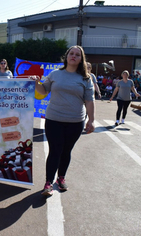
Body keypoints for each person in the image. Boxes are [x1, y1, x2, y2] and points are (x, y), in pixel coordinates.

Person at [32, 45, 95, 196]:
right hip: (54, 119)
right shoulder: (54, 74)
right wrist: (35, 83)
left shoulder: (86, 79)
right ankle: (48, 183)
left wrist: (91, 120)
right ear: (66, 57)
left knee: (66, 151)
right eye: (71, 53)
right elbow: (43, 91)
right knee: (55, 150)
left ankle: (61, 178)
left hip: (75, 121)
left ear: (81, 59)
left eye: (77, 55)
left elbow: (90, 101)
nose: (74, 56)